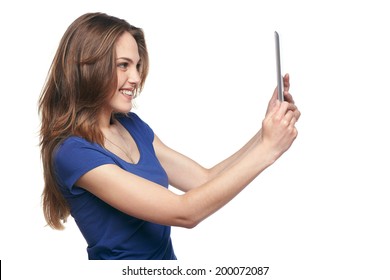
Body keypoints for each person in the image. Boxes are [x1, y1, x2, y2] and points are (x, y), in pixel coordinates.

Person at [38, 12, 301, 260]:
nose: (136, 77)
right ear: (87, 68)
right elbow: (185, 212)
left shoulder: (132, 125)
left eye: (137, 66)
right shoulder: (73, 153)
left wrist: (266, 130)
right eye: (123, 65)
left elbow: (203, 180)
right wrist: (267, 150)